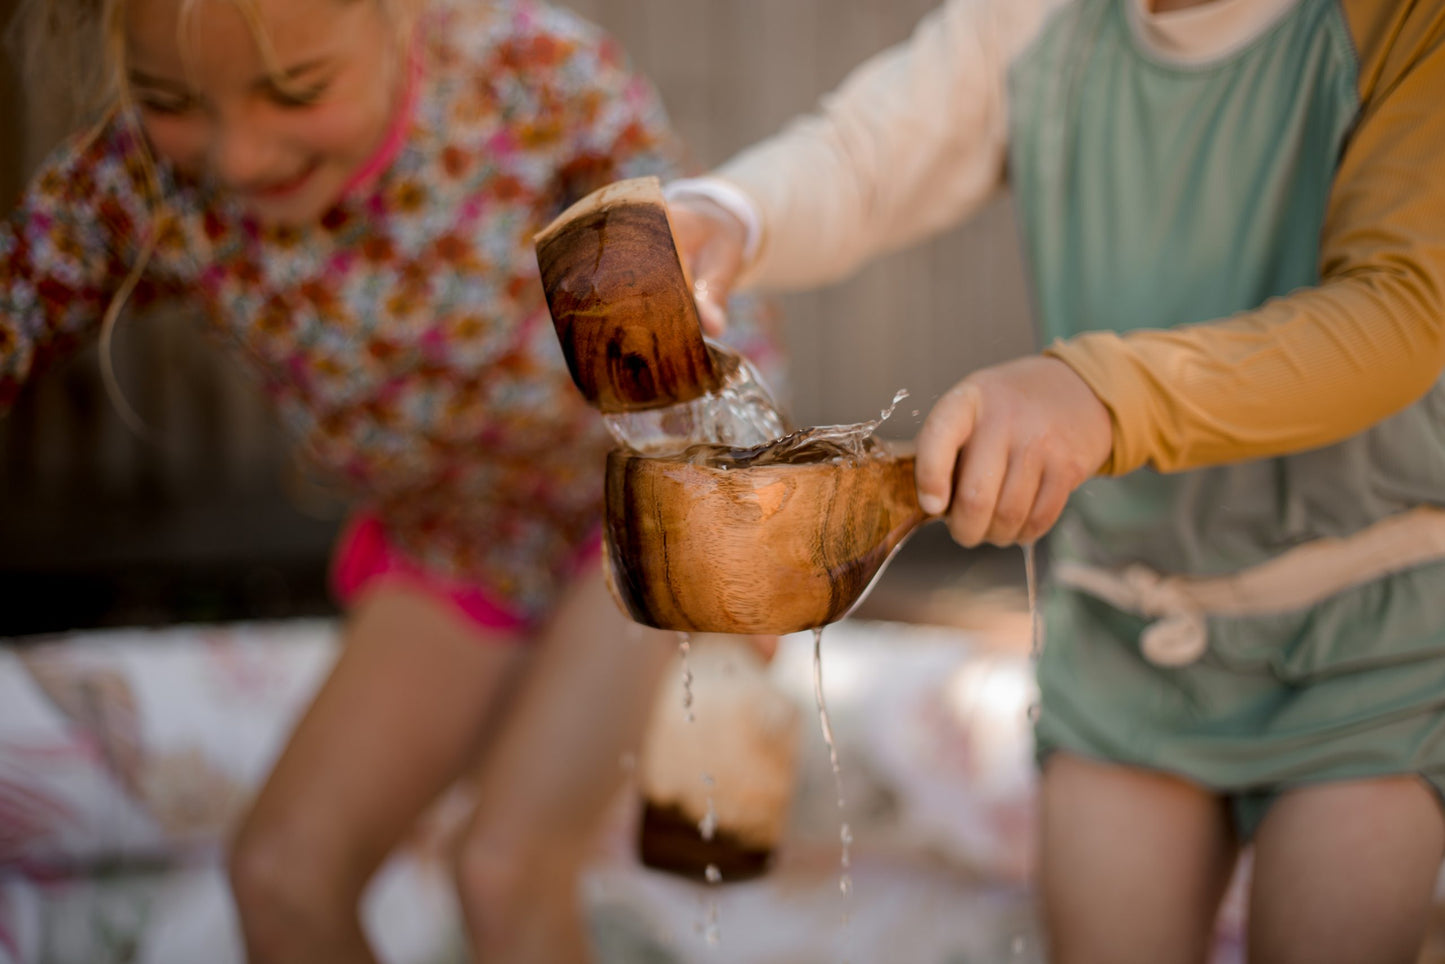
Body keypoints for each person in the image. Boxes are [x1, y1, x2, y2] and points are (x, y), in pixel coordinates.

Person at [664, 0, 1445, 961]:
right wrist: (732, 215)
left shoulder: (1402, 25)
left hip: (1361, 629)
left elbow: (1398, 311)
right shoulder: (1039, 19)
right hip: (1120, 615)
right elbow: (872, 152)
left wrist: (1097, 394)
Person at [0, 0, 781, 960]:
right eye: (170, 100)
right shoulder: (140, 184)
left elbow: (702, 322)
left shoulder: (528, 78)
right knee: (283, 875)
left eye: (296, 90)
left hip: (648, 495)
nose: (237, 155)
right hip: (465, 537)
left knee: (503, 864)